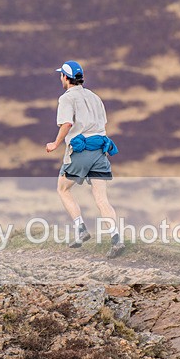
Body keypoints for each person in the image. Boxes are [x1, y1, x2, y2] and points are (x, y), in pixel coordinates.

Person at [46, 60, 124, 259]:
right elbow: (102, 124)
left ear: (65, 77)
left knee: (63, 189)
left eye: (61, 75)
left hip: (80, 152)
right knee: (101, 199)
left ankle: (80, 229)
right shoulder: (95, 97)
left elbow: (66, 123)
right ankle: (116, 238)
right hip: (100, 151)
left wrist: (55, 144)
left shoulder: (66, 98)